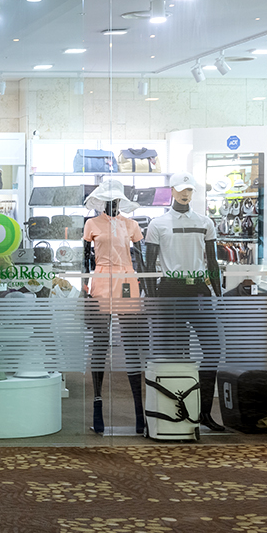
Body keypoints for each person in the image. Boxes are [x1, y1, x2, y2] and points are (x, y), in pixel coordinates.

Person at [144, 172, 225, 432]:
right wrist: (153, 301)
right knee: (178, 353)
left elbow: (212, 262)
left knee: (213, 350)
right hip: (170, 291)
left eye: (189, 189)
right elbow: (148, 266)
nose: (185, 194)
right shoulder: (158, 224)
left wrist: (219, 296)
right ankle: (180, 415)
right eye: (181, 189)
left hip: (199, 290)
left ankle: (204, 413)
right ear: (171, 190)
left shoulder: (205, 222)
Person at [82, 178, 148, 435]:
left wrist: (146, 288)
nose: (112, 202)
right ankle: (97, 405)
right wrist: (84, 288)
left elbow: (141, 258)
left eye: (115, 198)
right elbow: (84, 259)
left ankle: (139, 412)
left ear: (121, 200)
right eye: (108, 198)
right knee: (100, 342)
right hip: (101, 278)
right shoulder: (92, 224)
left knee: (131, 343)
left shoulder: (131, 225)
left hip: (127, 279)